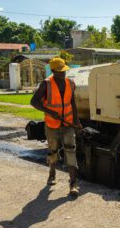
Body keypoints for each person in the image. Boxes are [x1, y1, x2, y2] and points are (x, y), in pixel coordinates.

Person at [30, 57, 82, 196]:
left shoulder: (70, 83)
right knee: (53, 151)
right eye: (59, 72)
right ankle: (52, 174)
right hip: (52, 125)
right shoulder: (46, 84)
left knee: (71, 151)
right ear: (53, 71)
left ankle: (73, 184)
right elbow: (34, 102)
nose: (63, 74)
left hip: (68, 124)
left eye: (64, 71)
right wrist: (50, 112)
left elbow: (73, 103)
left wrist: (77, 121)